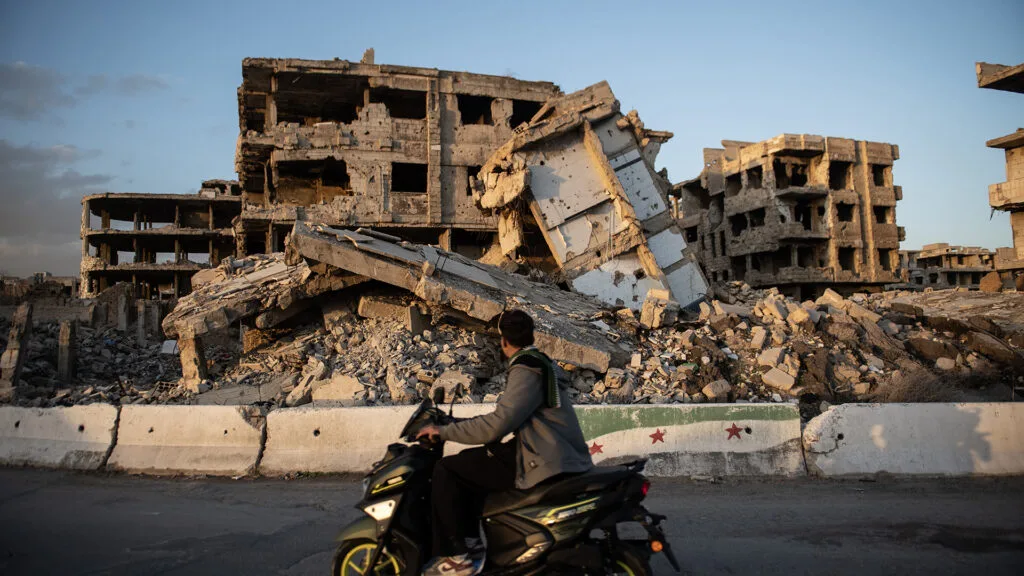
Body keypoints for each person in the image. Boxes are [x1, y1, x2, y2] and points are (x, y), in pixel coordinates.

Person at [416, 309, 594, 576]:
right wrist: (457, 427)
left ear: (503, 341)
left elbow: (498, 425)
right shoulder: (540, 363)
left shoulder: (526, 369)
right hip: (550, 449)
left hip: (544, 457)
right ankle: (474, 542)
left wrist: (443, 433)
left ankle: (459, 556)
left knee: (448, 470)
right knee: (477, 463)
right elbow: (506, 416)